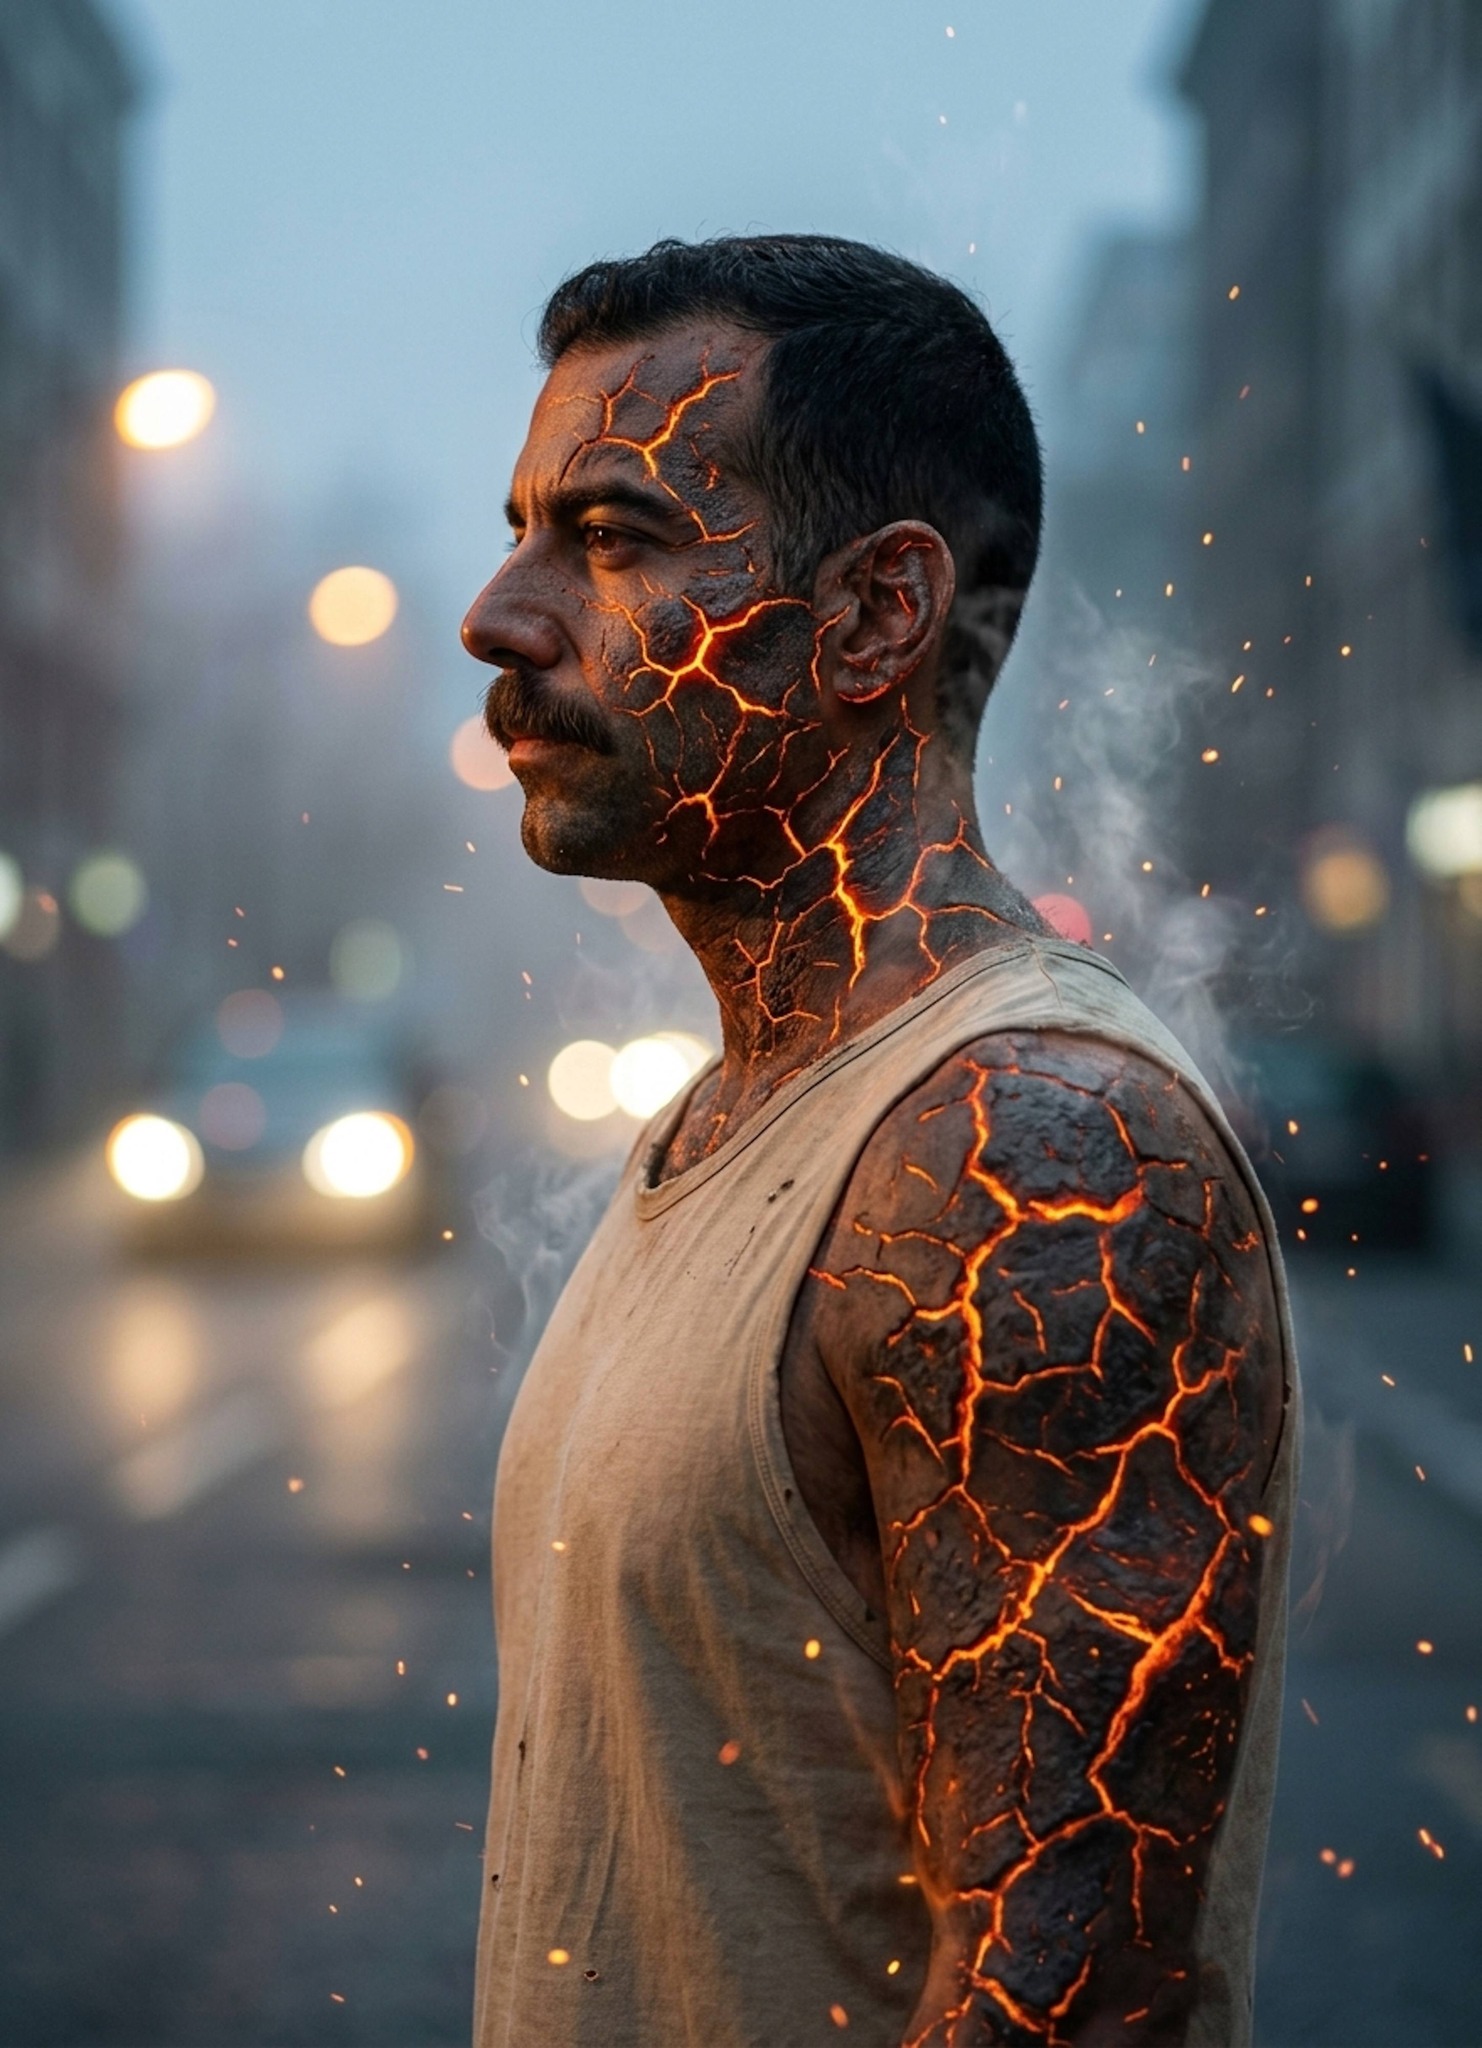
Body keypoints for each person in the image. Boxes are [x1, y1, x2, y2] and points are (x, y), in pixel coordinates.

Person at [460, 234, 1297, 2048]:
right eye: (522, 529)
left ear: (871, 615)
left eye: (608, 537)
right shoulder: (737, 1113)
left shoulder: (1031, 1152)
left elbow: (1071, 2004)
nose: (501, 616)